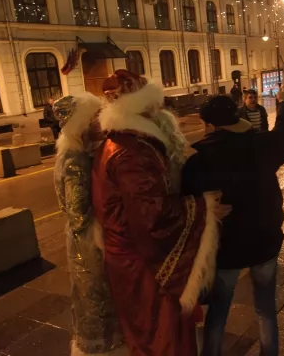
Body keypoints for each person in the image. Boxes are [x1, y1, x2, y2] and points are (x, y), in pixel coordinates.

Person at [91, 70, 230, 355]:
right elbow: (153, 217)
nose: (158, 109)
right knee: (162, 339)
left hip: (128, 258)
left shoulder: (122, 142)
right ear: (139, 106)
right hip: (143, 264)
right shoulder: (131, 153)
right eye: (151, 104)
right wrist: (204, 207)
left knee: (147, 337)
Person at [182, 90, 284, 356]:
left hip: (227, 247)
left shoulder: (200, 161)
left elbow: (182, 200)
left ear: (210, 125)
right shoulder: (263, 145)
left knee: (219, 311)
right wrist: (282, 104)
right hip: (265, 239)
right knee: (266, 308)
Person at [53, 93, 128, 355]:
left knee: (94, 295)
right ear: (79, 124)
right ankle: (101, 346)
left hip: (87, 238)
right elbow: (78, 212)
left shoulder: (79, 152)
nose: (98, 122)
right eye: (92, 118)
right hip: (87, 242)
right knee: (94, 296)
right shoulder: (74, 160)